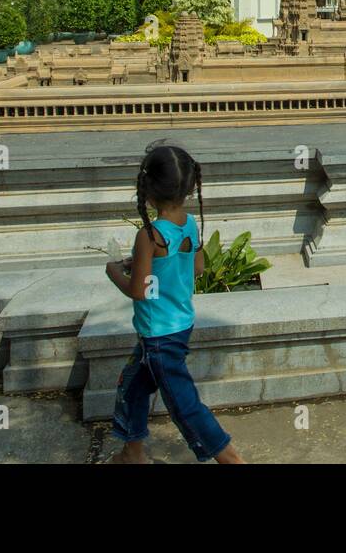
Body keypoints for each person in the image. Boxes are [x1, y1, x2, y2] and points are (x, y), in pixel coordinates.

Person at [104, 143, 243, 463]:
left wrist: (113, 271)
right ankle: (132, 453)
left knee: (184, 405)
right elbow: (197, 268)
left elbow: (137, 291)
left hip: (158, 337)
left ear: (148, 190)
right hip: (178, 325)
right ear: (189, 188)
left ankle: (232, 459)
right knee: (132, 389)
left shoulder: (149, 236)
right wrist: (144, 263)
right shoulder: (190, 224)